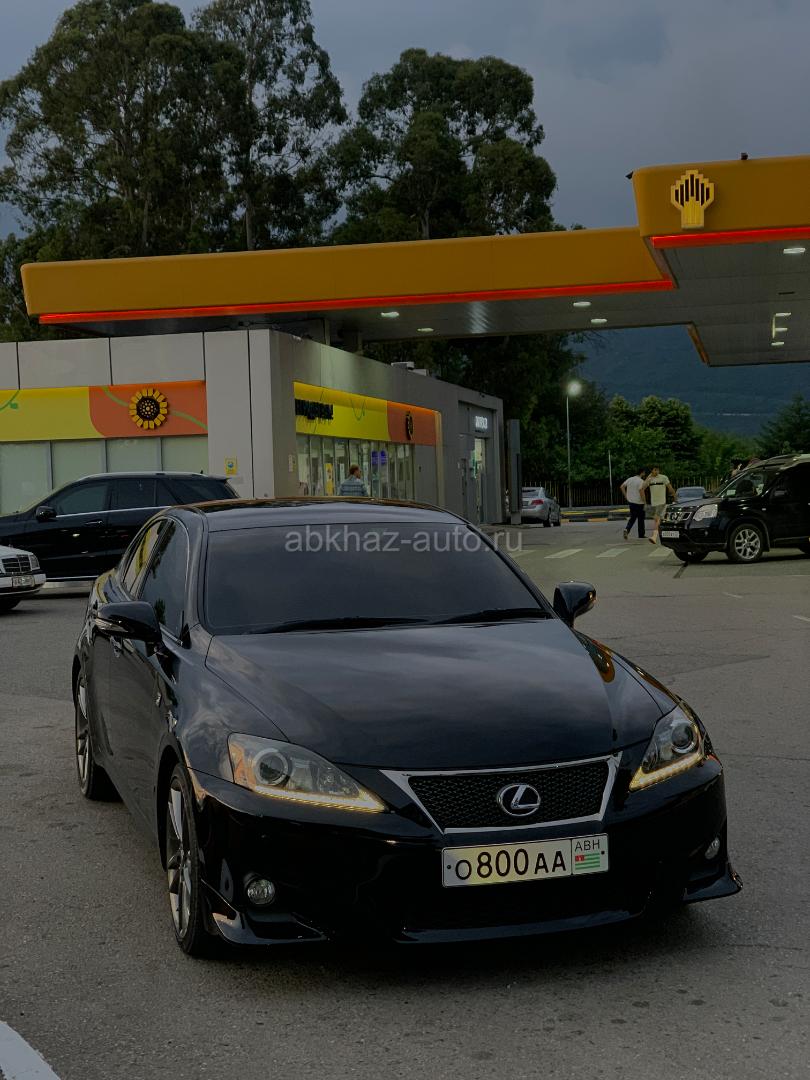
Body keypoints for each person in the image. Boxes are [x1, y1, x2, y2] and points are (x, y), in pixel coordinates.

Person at [643, 466, 676, 544]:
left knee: (657, 519)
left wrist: (674, 496)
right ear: (652, 471)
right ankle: (664, 534)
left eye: (657, 470)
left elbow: (670, 487)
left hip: (662, 502)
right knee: (657, 520)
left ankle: (654, 536)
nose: (656, 471)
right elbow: (642, 488)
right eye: (655, 470)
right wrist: (648, 478)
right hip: (653, 503)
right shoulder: (649, 479)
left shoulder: (663, 477)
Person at [621, 468, 647, 539]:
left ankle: (627, 529)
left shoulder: (630, 479)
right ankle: (641, 534)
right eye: (644, 473)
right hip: (639, 502)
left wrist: (626, 496)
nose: (644, 474)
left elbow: (622, 486)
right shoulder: (641, 481)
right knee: (641, 519)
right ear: (642, 473)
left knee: (632, 518)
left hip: (631, 502)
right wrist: (645, 502)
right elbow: (641, 491)